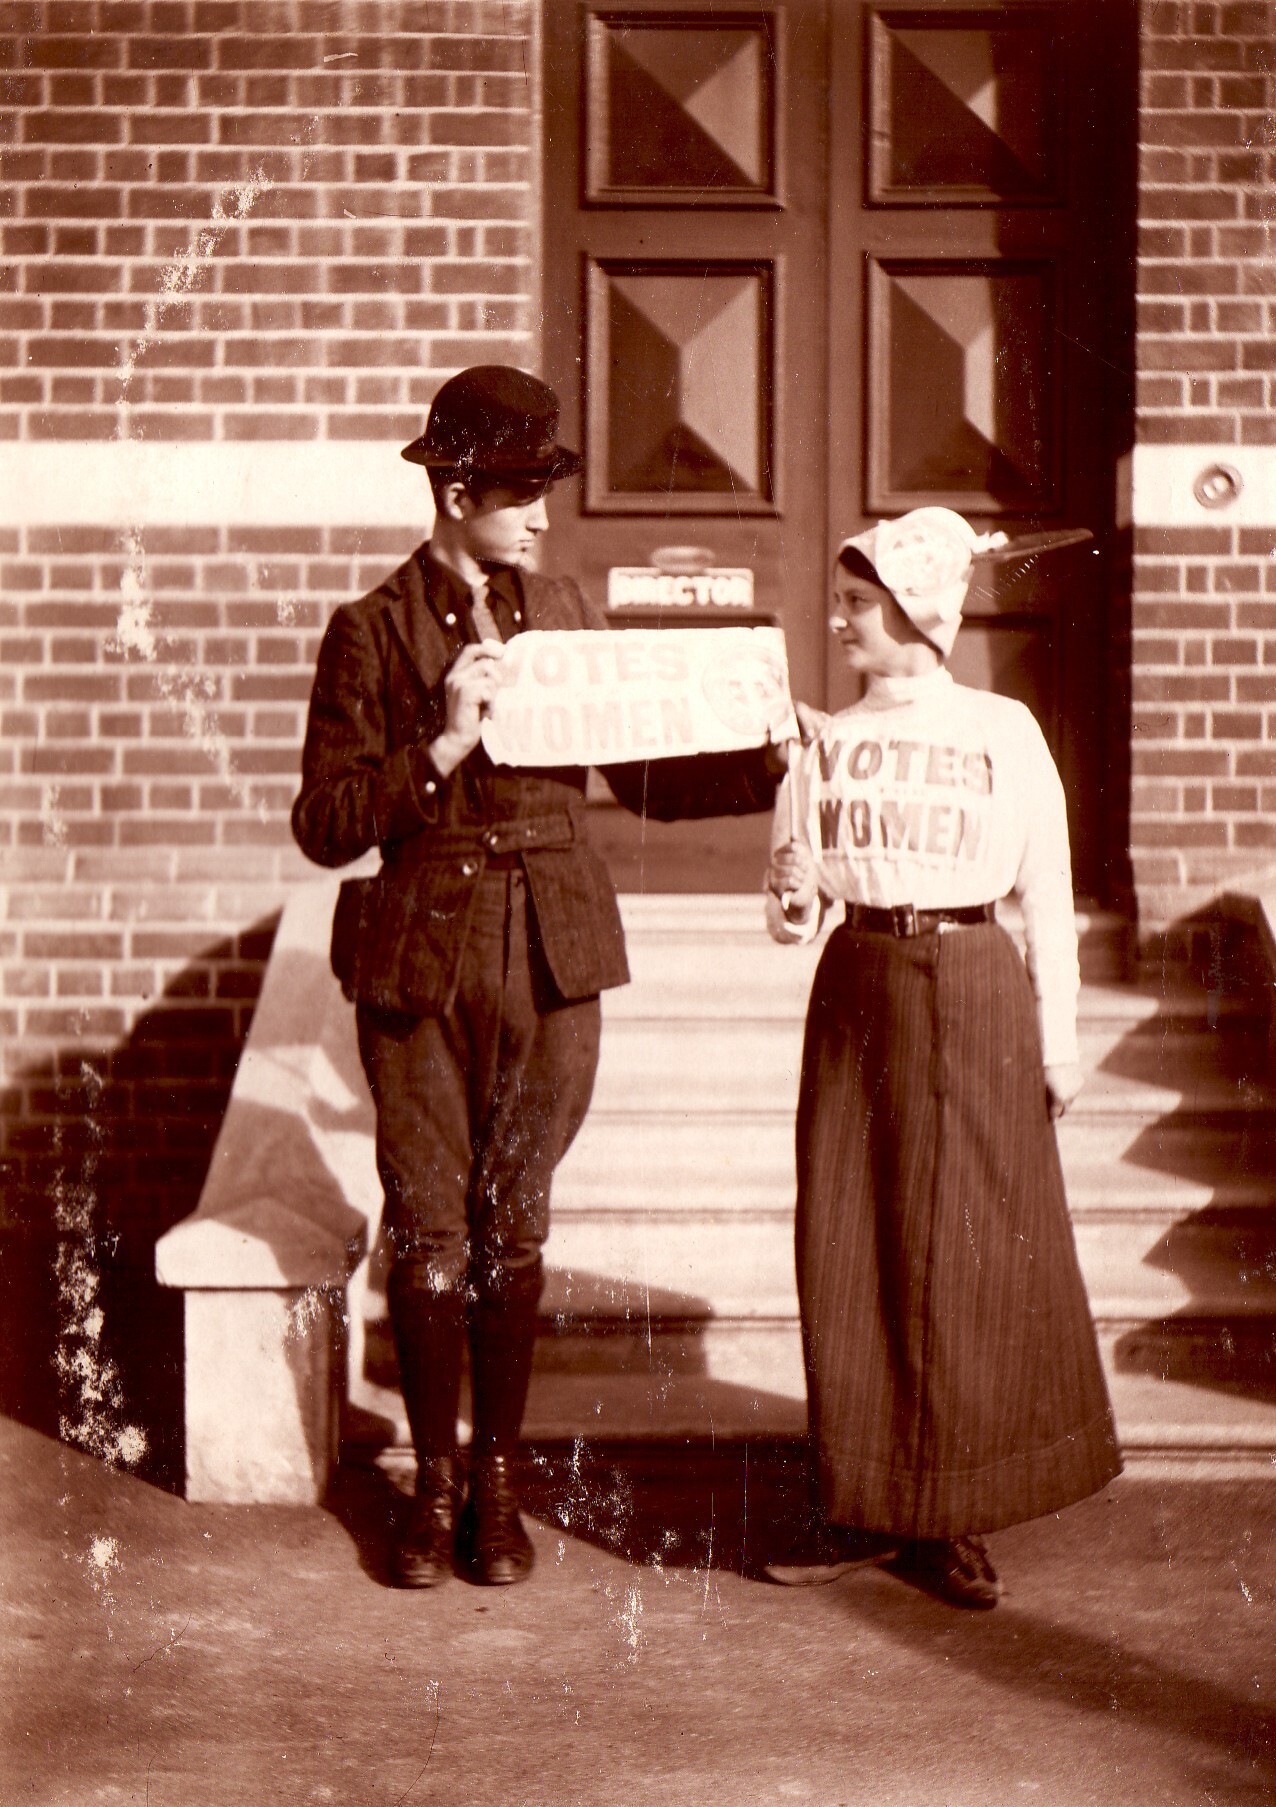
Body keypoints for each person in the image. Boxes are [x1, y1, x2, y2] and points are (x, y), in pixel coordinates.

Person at [292, 365, 779, 1589]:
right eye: (521, 494)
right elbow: (326, 822)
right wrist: (442, 743)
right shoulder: (370, 628)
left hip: (552, 954)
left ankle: (496, 1485)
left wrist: (765, 757)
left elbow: (643, 773)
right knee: (430, 1232)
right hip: (420, 960)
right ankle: (432, 1487)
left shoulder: (561, 612)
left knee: (514, 1229)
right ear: (457, 493)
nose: (543, 518)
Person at [764, 507, 1122, 1609]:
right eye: (840, 603)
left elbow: (1047, 895)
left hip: (973, 985)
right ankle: (862, 1503)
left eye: (856, 605)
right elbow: (791, 914)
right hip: (859, 983)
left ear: (919, 611)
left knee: (967, 1251)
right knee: (849, 1238)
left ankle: (956, 1514)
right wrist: (792, 887)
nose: (838, 622)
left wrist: (1059, 1040)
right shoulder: (822, 742)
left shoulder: (1000, 729)